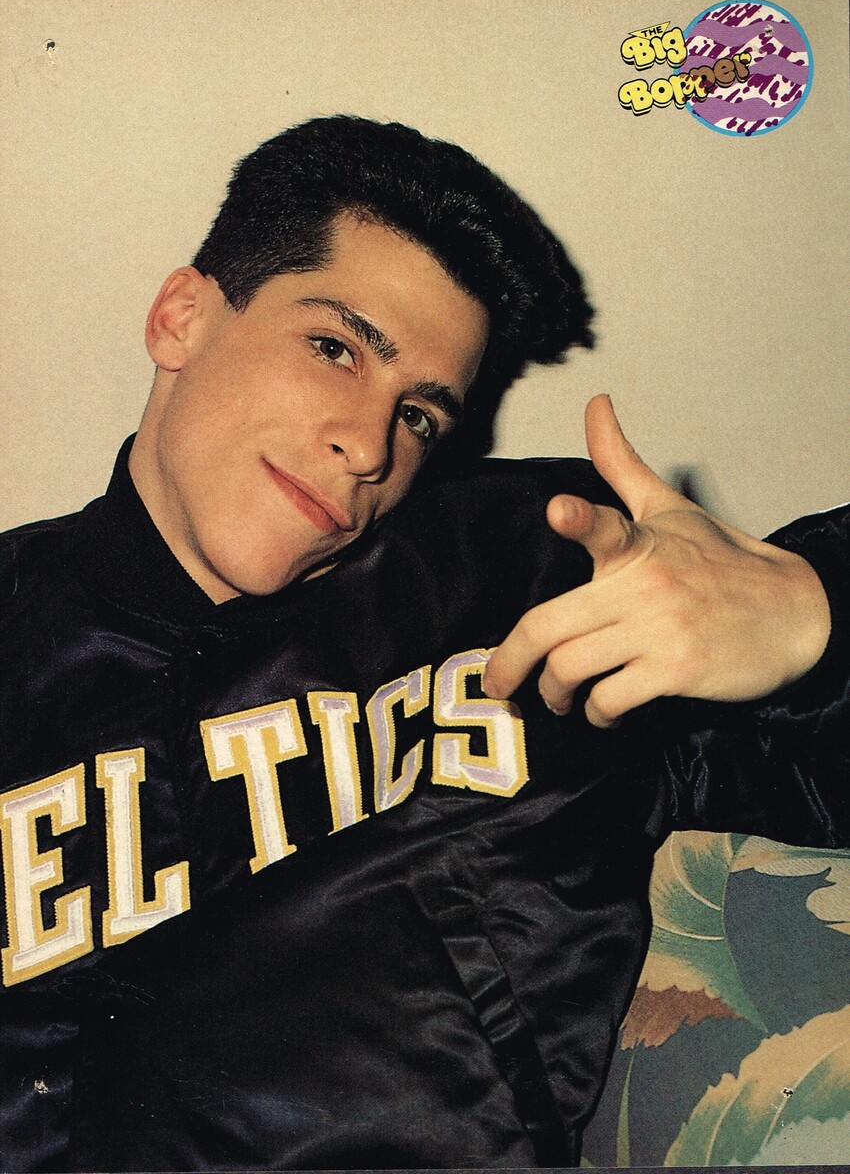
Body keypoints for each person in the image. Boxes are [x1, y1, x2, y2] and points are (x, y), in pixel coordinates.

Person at [0, 116, 846, 1172]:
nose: (368, 446)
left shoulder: (520, 595)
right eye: (334, 349)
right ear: (182, 318)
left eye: (421, 418)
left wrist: (813, 612)